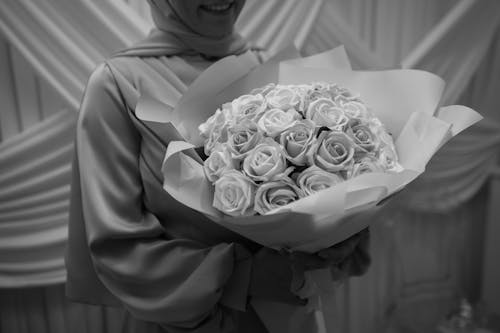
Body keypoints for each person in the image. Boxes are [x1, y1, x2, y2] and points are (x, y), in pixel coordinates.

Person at [64, 1, 371, 332]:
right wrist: (244, 276)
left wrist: (344, 235)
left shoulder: (274, 66)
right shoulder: (118, 84)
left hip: (295, 316)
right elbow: (119, 249)